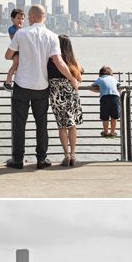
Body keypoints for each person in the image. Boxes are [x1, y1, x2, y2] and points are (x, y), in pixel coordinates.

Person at [5, 4, 80, 170]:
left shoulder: (21, 33)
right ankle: (42, 159)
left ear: (31, 17)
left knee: (19, 124)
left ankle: (17, 160)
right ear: (43, 17)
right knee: (41, 124)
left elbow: (8, 55)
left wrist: (18, 54)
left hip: (22, 86)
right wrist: (73, 79)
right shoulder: (52, 36)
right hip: (41, 87)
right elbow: (59, 62)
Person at [48, 36, 84, 167]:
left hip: (56, 95)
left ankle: (66, 155)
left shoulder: (50, 61)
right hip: (70, 95)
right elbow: (80, 78)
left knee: (62, 125)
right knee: (72, 125)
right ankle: (73, 155)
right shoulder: (71, 62)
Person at [89, 67, 121, 138]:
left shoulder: (100, 79)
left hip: (105, 98)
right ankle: (112, 133)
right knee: (114, 117)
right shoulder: (113, 78)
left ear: (100, 74)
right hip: (115, 97)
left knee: (105, 117)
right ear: (111, 73)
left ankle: (106, 132)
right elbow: (119, 86)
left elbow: (91, 87)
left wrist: (100, 90)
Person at [3, 8, 25, 90]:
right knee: (15, 64)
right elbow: (14, 40)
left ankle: (18, 81)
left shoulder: (24, 30)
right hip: (16, 51)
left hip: (22, 51)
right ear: (12, 19)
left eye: (22, 19)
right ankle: (8, 82)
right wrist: (19, 31)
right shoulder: (12, 29)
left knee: (20, 66)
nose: (21, 20)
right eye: (18, 18)